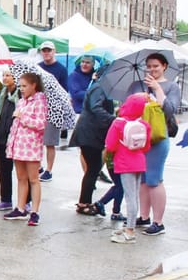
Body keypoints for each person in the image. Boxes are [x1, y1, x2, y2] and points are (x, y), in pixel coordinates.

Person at [129, 52, 181, 235]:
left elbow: (170, 110)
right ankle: (144, 216)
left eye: (156, 66)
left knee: (154, 179)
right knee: (142, 179)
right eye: (149, 66)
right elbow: (127, 108)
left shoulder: (172, 86)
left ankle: (158, 222)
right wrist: (140, 98)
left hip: (158, 136)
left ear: (164, 66)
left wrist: (157, 90)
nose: (152, 69)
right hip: (138, 137)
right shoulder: (137, 85)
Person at [105, 92, 151, 244]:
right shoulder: (144, 124)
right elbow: (146, 147)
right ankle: (130, 227)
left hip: (124, 163)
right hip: (140, 162)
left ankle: (130, 230)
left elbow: (110, 145)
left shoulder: (118, 123)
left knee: (130, 197)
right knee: (134, 196)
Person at [3, 72, 47, 226]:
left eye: (24, 86)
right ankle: (20, 208)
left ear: (33, 85)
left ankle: (34, 212)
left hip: (31, 146)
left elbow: (41, 125)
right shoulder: (22, 101)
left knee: (33, 179)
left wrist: (23, 117)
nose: (21, 89)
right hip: (18, 144)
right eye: (20, 86)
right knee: (21, 178)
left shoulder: (40, 101)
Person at [70, 70, 115, 216]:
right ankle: (84, 204)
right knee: (93, 169)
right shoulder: (99, 87)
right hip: (89, 133)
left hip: (91, 133)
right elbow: (96, 108)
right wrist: (113, 119)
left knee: (93, 169)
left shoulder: (100, 87)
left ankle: (84, 202)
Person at [0, 69, 21, 212]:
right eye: (3, 75)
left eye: (8, 75)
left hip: (17, 138)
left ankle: (26, 201)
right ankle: (5, 199)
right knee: (3, 170)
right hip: (1, 136)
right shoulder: (2, 93)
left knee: (22, 172)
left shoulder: (21, 94)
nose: (5, 78)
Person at [37, 41, 67, 181]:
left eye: (49, 50)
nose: (46, 53)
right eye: (44, 50)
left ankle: (49, 169)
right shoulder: (38, 67)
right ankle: (38, 166)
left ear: (54, 51)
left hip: (54, 107)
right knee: (36, 139)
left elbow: (65, 90)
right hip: (39, 106)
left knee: (50, 141)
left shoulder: (61, 69)